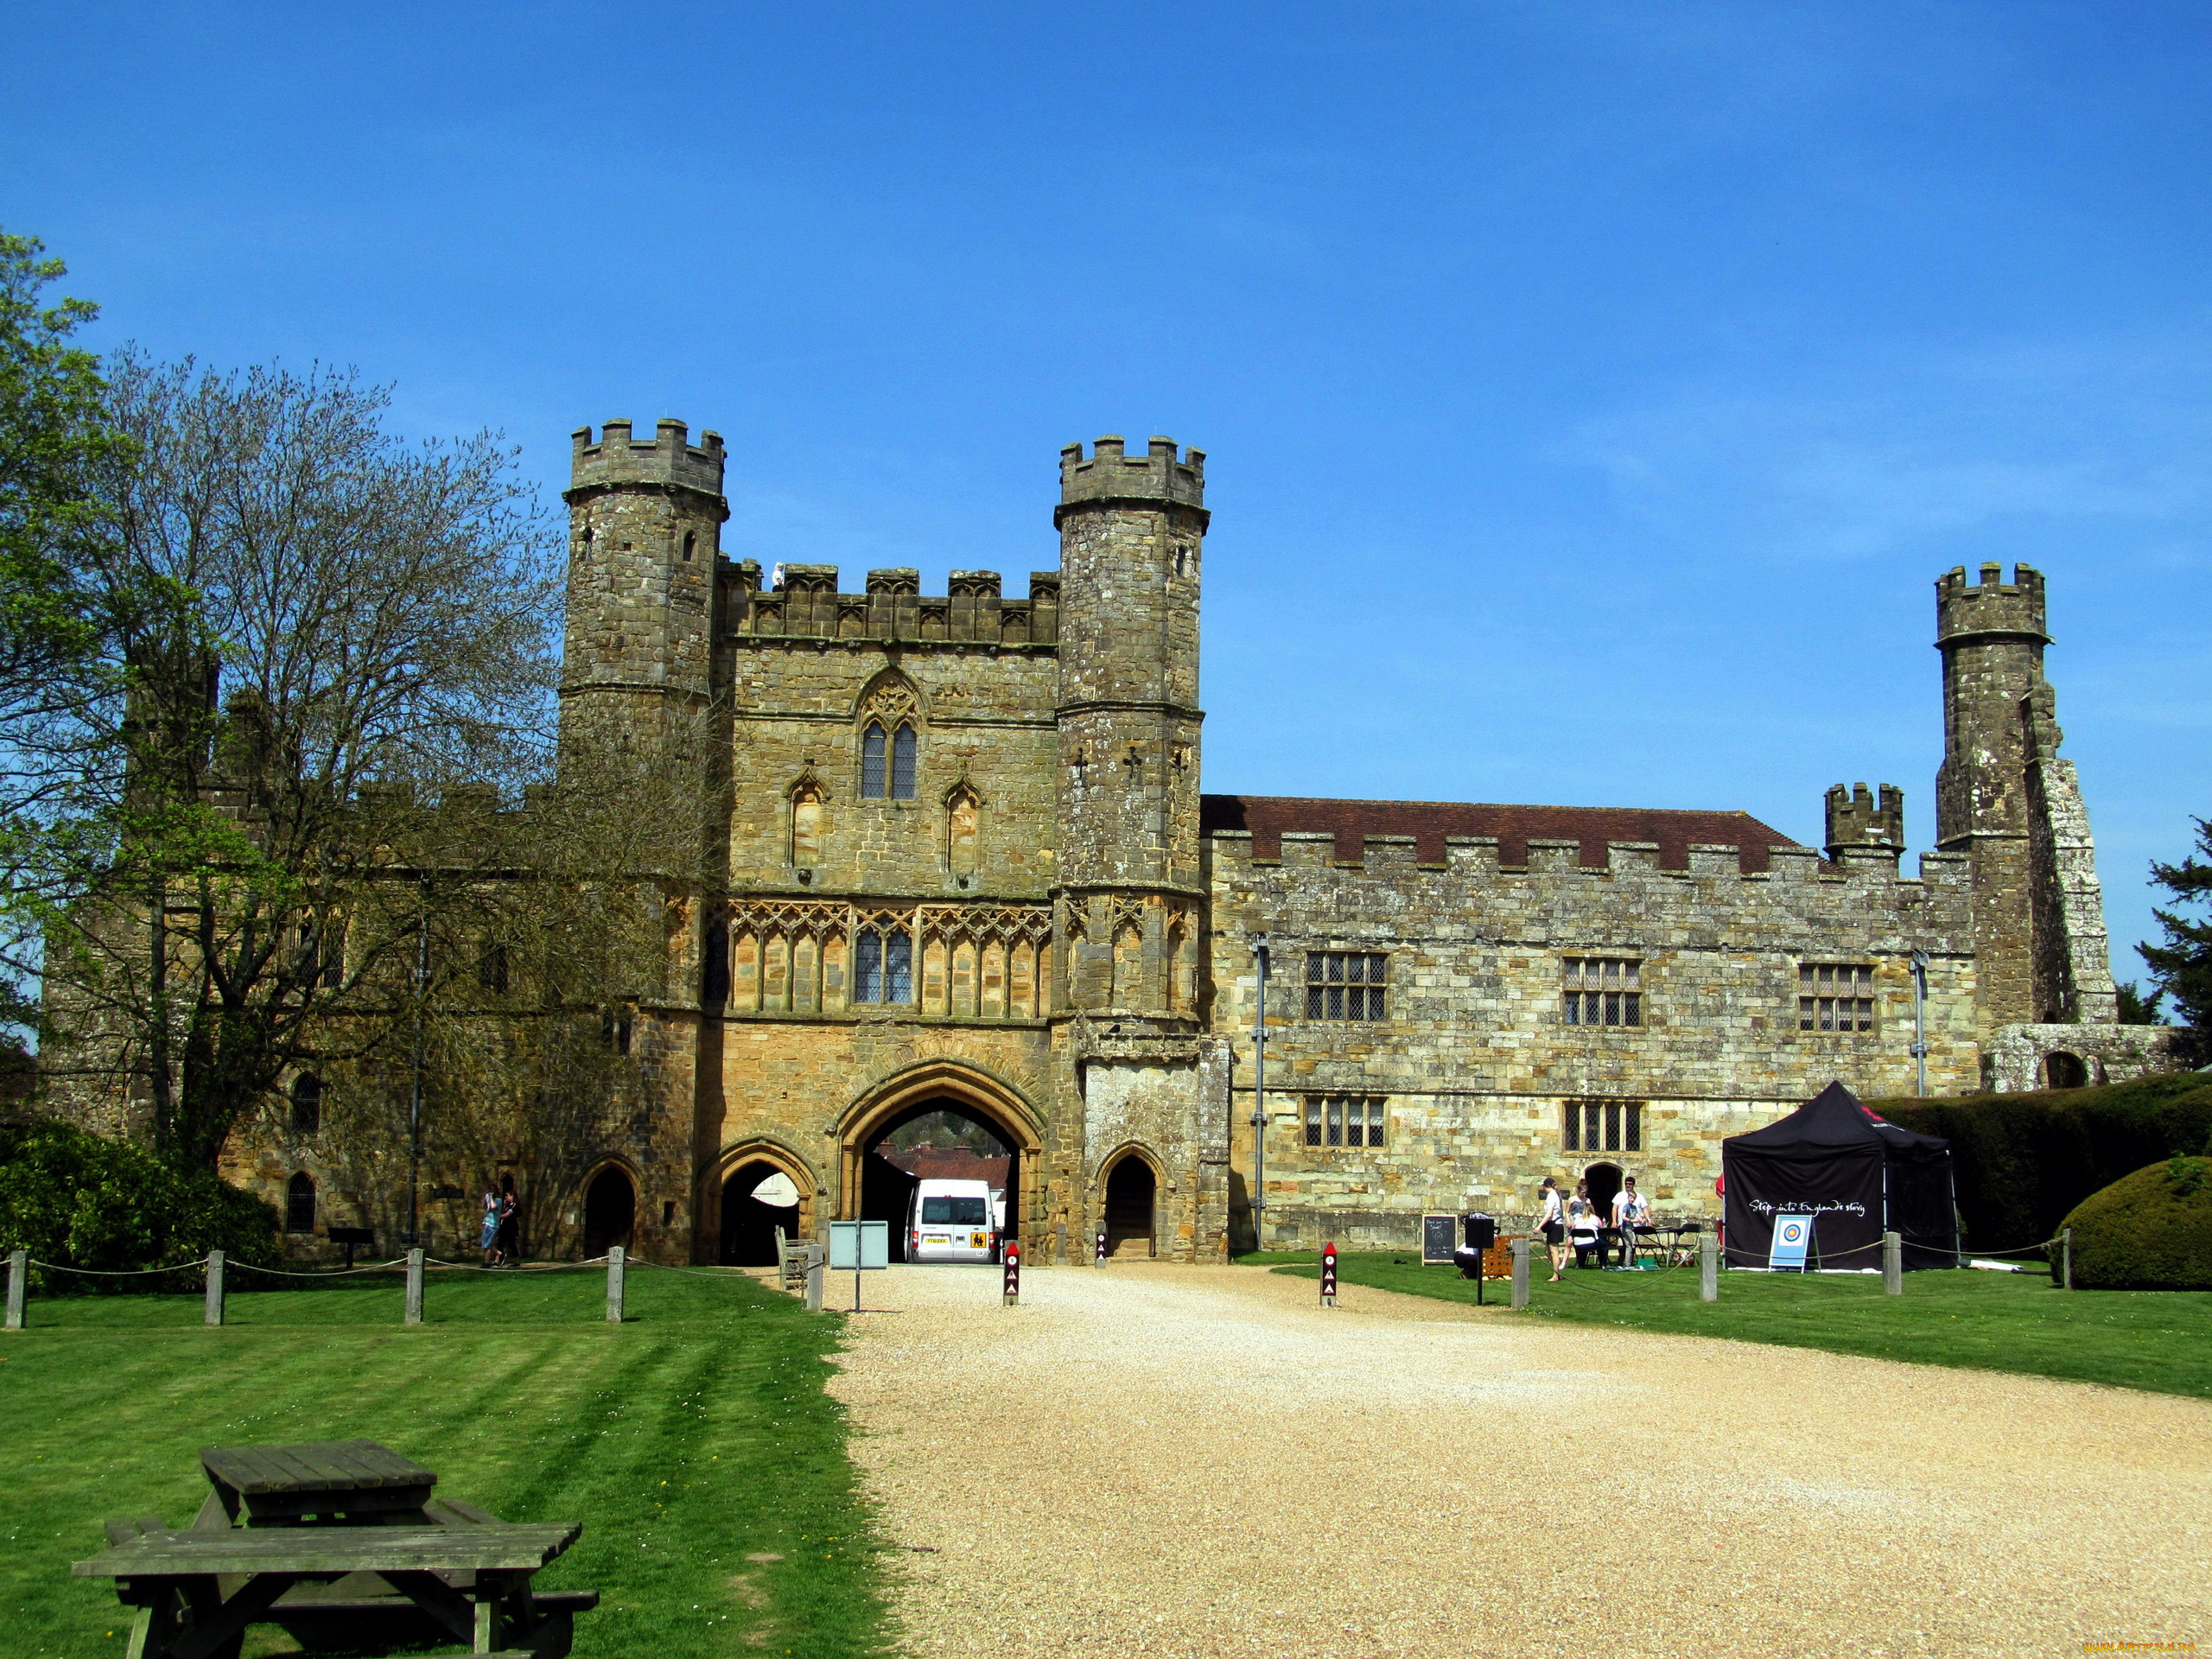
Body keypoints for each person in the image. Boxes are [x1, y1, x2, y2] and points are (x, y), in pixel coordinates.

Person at [1613, 1176, 1650, 1268]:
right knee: (1627, 1245)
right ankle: (1625, 1263)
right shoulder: (1621, 1198)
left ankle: (1627, 1261)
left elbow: (1642, 1211)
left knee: (1631, 1245)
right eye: (1626, 1183)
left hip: (1634, 1226)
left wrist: (1646, 1220)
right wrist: (1614, 1221)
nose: (1628, 1185)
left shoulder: (1638, 1198)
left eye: (1630, 1184)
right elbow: (1617, 1211)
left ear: (1633, 1185)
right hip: (1624, 1225)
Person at [1567, 1181, 1603, 1269]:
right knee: (1570, 1242)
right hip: (1574, 1221)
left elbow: (1590, 1210)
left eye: (1585, 1193)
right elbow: (1567, 1212)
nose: (1584, 1194)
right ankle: (1566, 1262)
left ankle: (1579, 1262)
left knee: (1583, 1238)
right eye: (1583, 1193)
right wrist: (1568, 1221)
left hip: (1584, 1220)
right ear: (1578, 1191)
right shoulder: (1572, 1199)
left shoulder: (1587, 1200)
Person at [1536, 1176, 1567, 1282]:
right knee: (1547, 1251)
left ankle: (1556, 1275)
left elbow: (1549, 1214)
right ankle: (1557, 1272)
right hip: (1556, 1225)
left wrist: (1539, 1226)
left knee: (1554, 1252)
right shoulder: (1556, 1195)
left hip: (1555, 1226)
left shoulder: (1551, 1196)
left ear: (1545, 1186)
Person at [495, 1181, 519, 1267]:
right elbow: (504, 1212)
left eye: (507, 1195)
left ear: (512, 1196)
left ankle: (517, 1260)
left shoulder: (514, 1206)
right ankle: (497, 1260)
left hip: (511, 1228)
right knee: (500, 1243)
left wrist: (496, 1216)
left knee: (512, 1244)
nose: (506, 1197)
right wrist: (505, 1205)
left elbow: (506, 1215)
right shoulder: (508, 1205)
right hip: (504, 1228)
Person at [480, 1188, 502, 1268]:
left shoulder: (499, 1200)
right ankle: (499, 1254)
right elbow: (486, 1207)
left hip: (493, 1225)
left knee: (487, 1245)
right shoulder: (489, 1199)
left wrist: (491, 1198)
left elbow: (493, 1207)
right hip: (488, 1224)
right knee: (488, 1243)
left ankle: (487, 1263)